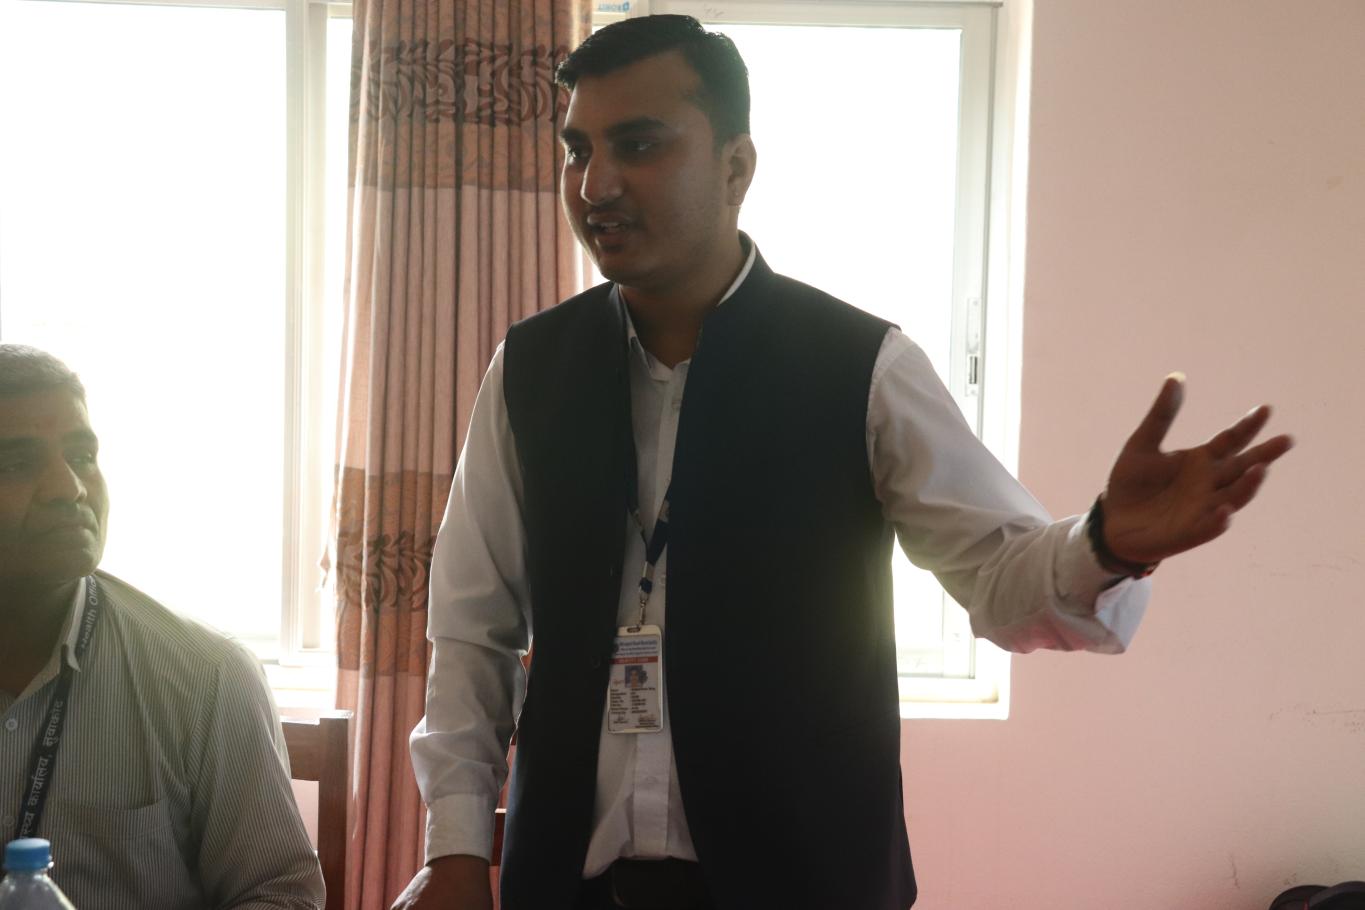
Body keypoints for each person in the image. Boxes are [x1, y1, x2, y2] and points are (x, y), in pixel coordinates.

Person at [395, 15, 1293, 910]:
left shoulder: (860, 367)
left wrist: (1105, 544)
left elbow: (999, 580)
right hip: (567, 888)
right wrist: (457, 850)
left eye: (638, 144)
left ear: (736, 168)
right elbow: (472, 629)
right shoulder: (531, 369)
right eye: (577, 150)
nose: (595, 184)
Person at [0, 344, 325, 909]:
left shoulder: (208, 677)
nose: (69, 488)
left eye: (82, 455)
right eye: (16, 464)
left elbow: (280, 895)